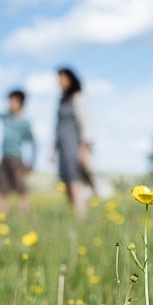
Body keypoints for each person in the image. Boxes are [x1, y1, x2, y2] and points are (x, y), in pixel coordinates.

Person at [51, 67, 95, 219]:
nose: (60, 82)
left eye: (62, 78)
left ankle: (81, 217)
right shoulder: (62, 101)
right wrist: (53, 150)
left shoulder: (78, 99)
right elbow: (58, 127)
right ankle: (76, 213)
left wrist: (84, 149)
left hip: (75, 147)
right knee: (66, 183)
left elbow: (87, 125)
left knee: (75, 182)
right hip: (63, 148)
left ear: (71, 79)